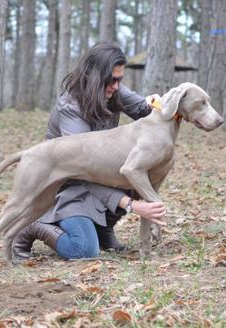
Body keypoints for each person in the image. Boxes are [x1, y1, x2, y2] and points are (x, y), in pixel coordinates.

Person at [12, 42, 166, 260]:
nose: (115, 86)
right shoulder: (71, 109)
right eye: (110, 80)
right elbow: (83, 173)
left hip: (99, 177)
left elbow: (143, 109)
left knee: (135, 168)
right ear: (93, 77)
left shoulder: (114, 90)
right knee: (83, 249)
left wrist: (158, 102)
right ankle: (34, 225)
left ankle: (103, 229)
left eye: (119, 80)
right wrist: (130, 205)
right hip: (67, 186)